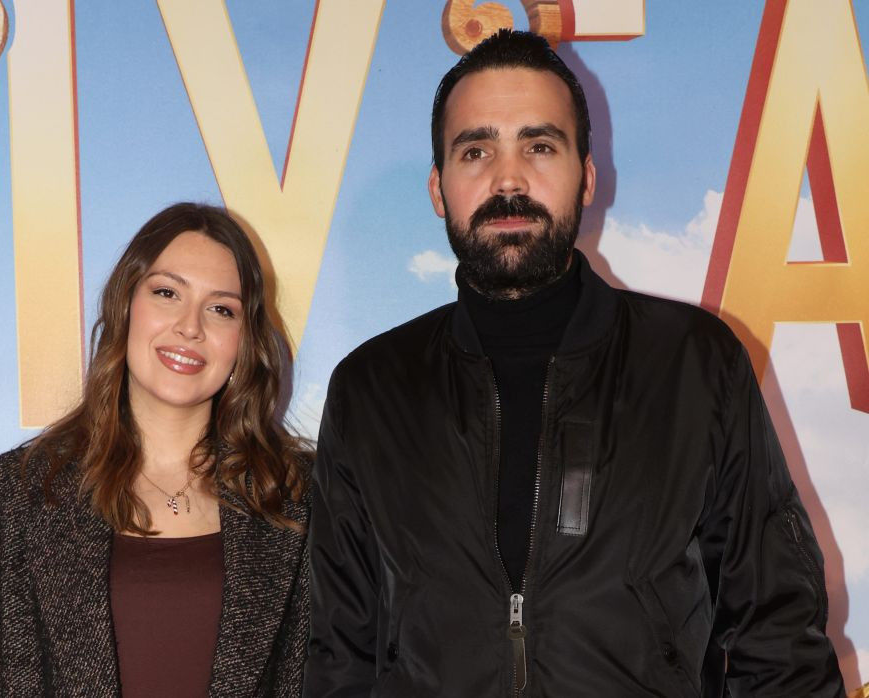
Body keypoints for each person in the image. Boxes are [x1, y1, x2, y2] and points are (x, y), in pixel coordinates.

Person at [304, 30, 845, 697]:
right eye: (475, 150)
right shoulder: (370, 388)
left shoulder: (694, 365)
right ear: (438, 188)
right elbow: (339, 656)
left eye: (539, 146)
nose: (508, 179)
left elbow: (780, 639)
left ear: (586, 177)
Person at [0, 203, 310, 697]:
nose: (190, 326)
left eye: (222, 309)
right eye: (167, 293)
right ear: (125, 304)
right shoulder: (13, 495)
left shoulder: (300, 497)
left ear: (244, 340)